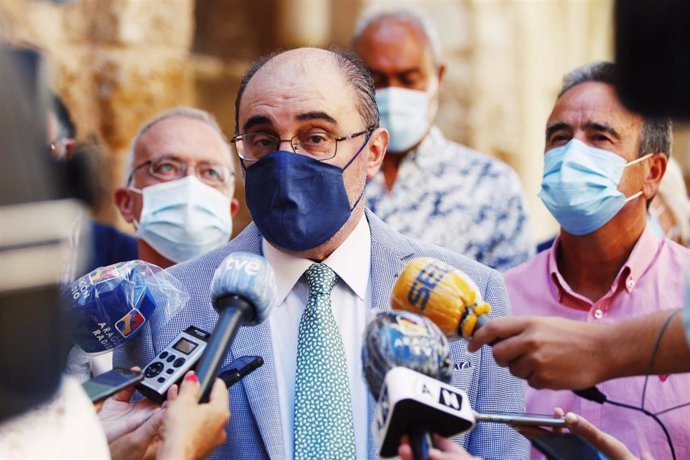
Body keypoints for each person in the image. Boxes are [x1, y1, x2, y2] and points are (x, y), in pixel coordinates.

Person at [116, 47, 528, 459]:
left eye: (316, 138)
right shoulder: (167, 306)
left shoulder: (472, 292)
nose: (285, 161)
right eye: (263, 140)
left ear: (373, 152)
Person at [500, 61, 690, 459]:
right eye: (559, 137)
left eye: (600, 137)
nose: (571, 154)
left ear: (652, 172)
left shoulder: (684, 289)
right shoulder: (498, 300)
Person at [352, 9, 533, 272]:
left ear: (439, 77)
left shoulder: (490, 185)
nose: (392, 93)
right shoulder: (329, 175)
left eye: (408, 79)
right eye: (375, 80)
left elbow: (509, 301)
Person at [114, 106, 239, 269]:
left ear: (230, 211)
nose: (190, 184)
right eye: (166, 167)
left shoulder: (267, 293)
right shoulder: (100, 293)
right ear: (127, 203)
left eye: (211, 172)